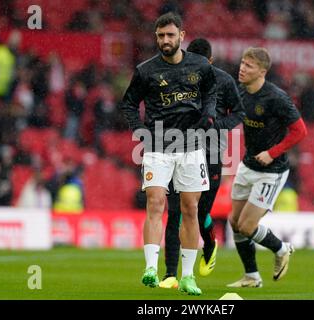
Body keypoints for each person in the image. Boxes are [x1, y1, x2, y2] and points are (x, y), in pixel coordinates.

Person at [120, 13, 217, 296]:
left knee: (190, 210)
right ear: (156, 37)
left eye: (170, 35)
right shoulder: (146, 70)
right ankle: (150, 268)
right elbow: (128, 104)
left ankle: (187, 277)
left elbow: (211, 92)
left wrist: (209, 114)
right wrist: (139, 130)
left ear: (182, 36)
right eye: (161, 36)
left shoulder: (199, 65)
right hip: (158, 147)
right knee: (155, 202)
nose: (165, 40)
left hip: (190, 147)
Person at [159, 38, 245, 289]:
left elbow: (238, 113)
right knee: (175, 213)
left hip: (211, 153)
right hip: (180, 151)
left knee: (198, 212)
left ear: (209, 61)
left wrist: (217, 126)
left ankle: (210, 244)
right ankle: (170, 275)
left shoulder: (224, 81)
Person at [228, 47, 307, 288]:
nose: (242, 68)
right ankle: (252, 276)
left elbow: (300, 131)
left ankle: (281, 249)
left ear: (262, 71)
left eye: (249, 66)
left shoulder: (276, 98)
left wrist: (272, 153)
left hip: (271, 172)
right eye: (242, 63)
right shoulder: (240, 92)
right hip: (247, 164)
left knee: (247, 225)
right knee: (234, 222)